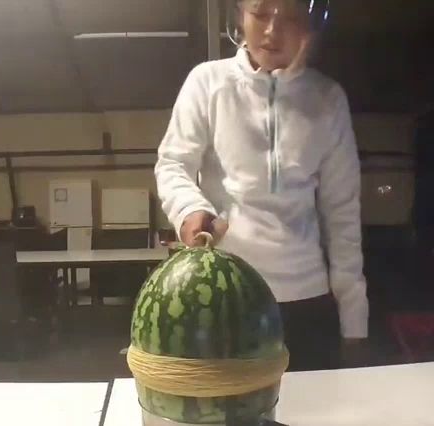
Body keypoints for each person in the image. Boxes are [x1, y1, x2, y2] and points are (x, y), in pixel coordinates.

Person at [155, 0, 368, 371]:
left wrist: (355, 324)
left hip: (307, 299)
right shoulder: (208, 82)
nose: (272, 30)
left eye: (289, 18)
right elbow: (173, 163)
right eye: (260, 13)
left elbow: (343, 215)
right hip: (224, 296)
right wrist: (191, 209)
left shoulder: (327, 99)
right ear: (239, 15)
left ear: (310, 27)